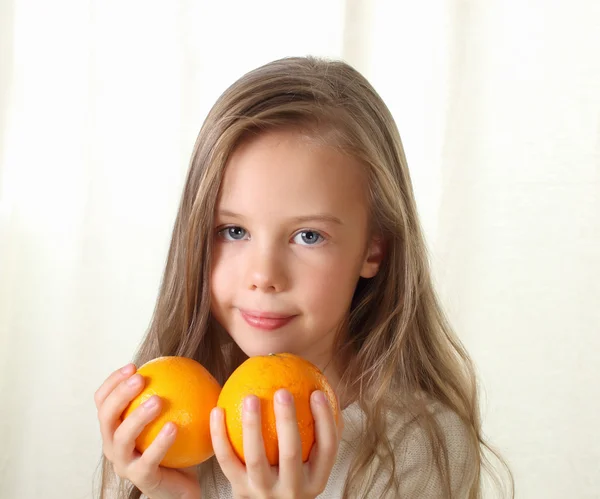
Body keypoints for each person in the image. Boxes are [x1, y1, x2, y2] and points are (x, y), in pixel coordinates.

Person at [94, 56, 512, 499]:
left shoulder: (419, 445)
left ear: (374, 249)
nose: (264, 276)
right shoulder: (170, 422)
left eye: (308, 235)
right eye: (234, 231)